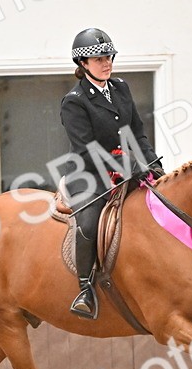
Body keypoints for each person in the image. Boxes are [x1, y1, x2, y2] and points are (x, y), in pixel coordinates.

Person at [60, 28, 162, 319]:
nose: (106, 63)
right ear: (83, 65)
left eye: (109, 57)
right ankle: (84, 289)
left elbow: (137, 134)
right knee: (89, 223)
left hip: (128, 170)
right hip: (88, 174)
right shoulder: (75, 100)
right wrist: (128, 167)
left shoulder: (121, 88)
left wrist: (152, 164)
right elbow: (87, 149)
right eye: (99, 58)